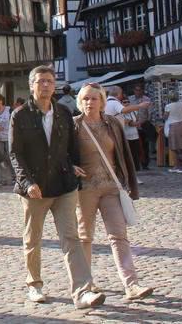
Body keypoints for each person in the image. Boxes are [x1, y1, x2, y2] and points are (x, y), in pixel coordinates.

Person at [10, 65, 105, 310]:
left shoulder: (63, 112)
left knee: (71, 238)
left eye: (49, 81)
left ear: (55, 86)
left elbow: (71, 148)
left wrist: (73, 166)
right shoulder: (20, 115)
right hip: (35, 189)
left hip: (64, 186)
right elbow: (15, 153)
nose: (45, 85)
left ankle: (83, 292)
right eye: (40, 81)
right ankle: (34, 284)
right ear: (31, 85)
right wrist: (27, 182)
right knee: (33, 238)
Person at [74, 83, 153, 301]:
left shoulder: (112, 123)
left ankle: (131, 285)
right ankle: (86, 285)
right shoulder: (74, 126)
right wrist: (70, 167)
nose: (90, 102)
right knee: (84, 237)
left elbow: (123, 154)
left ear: (102, 101)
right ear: (80, 102)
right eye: (86, 98)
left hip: (111, 188)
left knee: (119, 235)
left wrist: (127, 182)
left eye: (94, 98)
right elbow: (64, 154)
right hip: (85, 190)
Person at [104, 86, 149, 175]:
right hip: (115, 132)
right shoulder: (114, 102)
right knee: (120, 154)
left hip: (110, 131)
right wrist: (140, 106)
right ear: (119, 94)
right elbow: (123, 110)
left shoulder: (106, 102)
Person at [163, 91, 182, 173]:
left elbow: (165, 117)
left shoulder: (168, 106)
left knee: (174, 147)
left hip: (173, 126)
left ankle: (176, 166)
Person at [128, 85, 155, 170]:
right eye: (136, 90)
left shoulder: (147, 100)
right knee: (134, 145)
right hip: (132, 125)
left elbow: (149, 113)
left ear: (142, 91)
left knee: (144, 145)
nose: (138, 92)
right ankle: (135, 163)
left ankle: (145, 163)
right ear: (134, 90)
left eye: (139, 90)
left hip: (143, 125)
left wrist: (142, 122)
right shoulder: (130, 99)